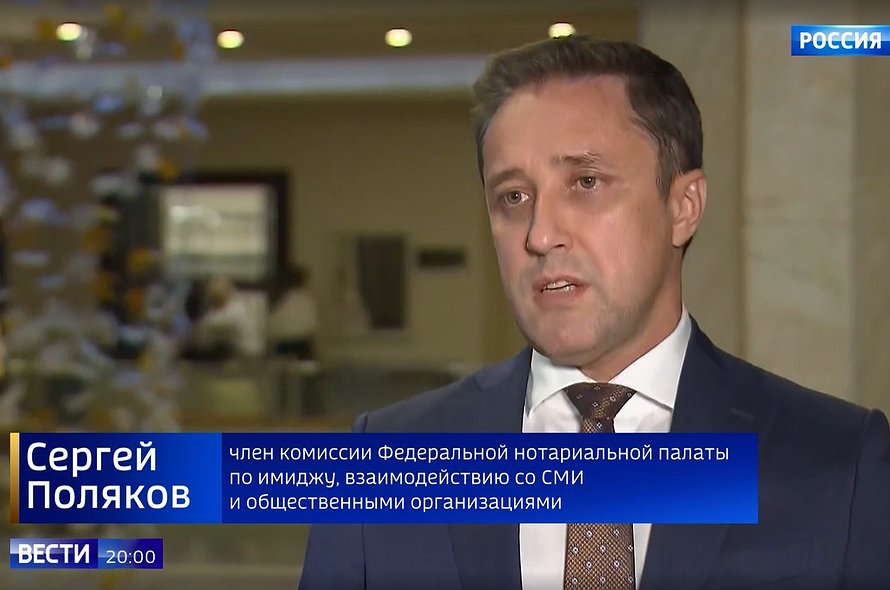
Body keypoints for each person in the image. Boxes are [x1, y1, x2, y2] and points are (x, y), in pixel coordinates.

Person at [299, 36, 890, 590]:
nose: (539, 234)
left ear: (683, 207)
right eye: (513, 197)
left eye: (585, 182)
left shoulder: (839, 459)